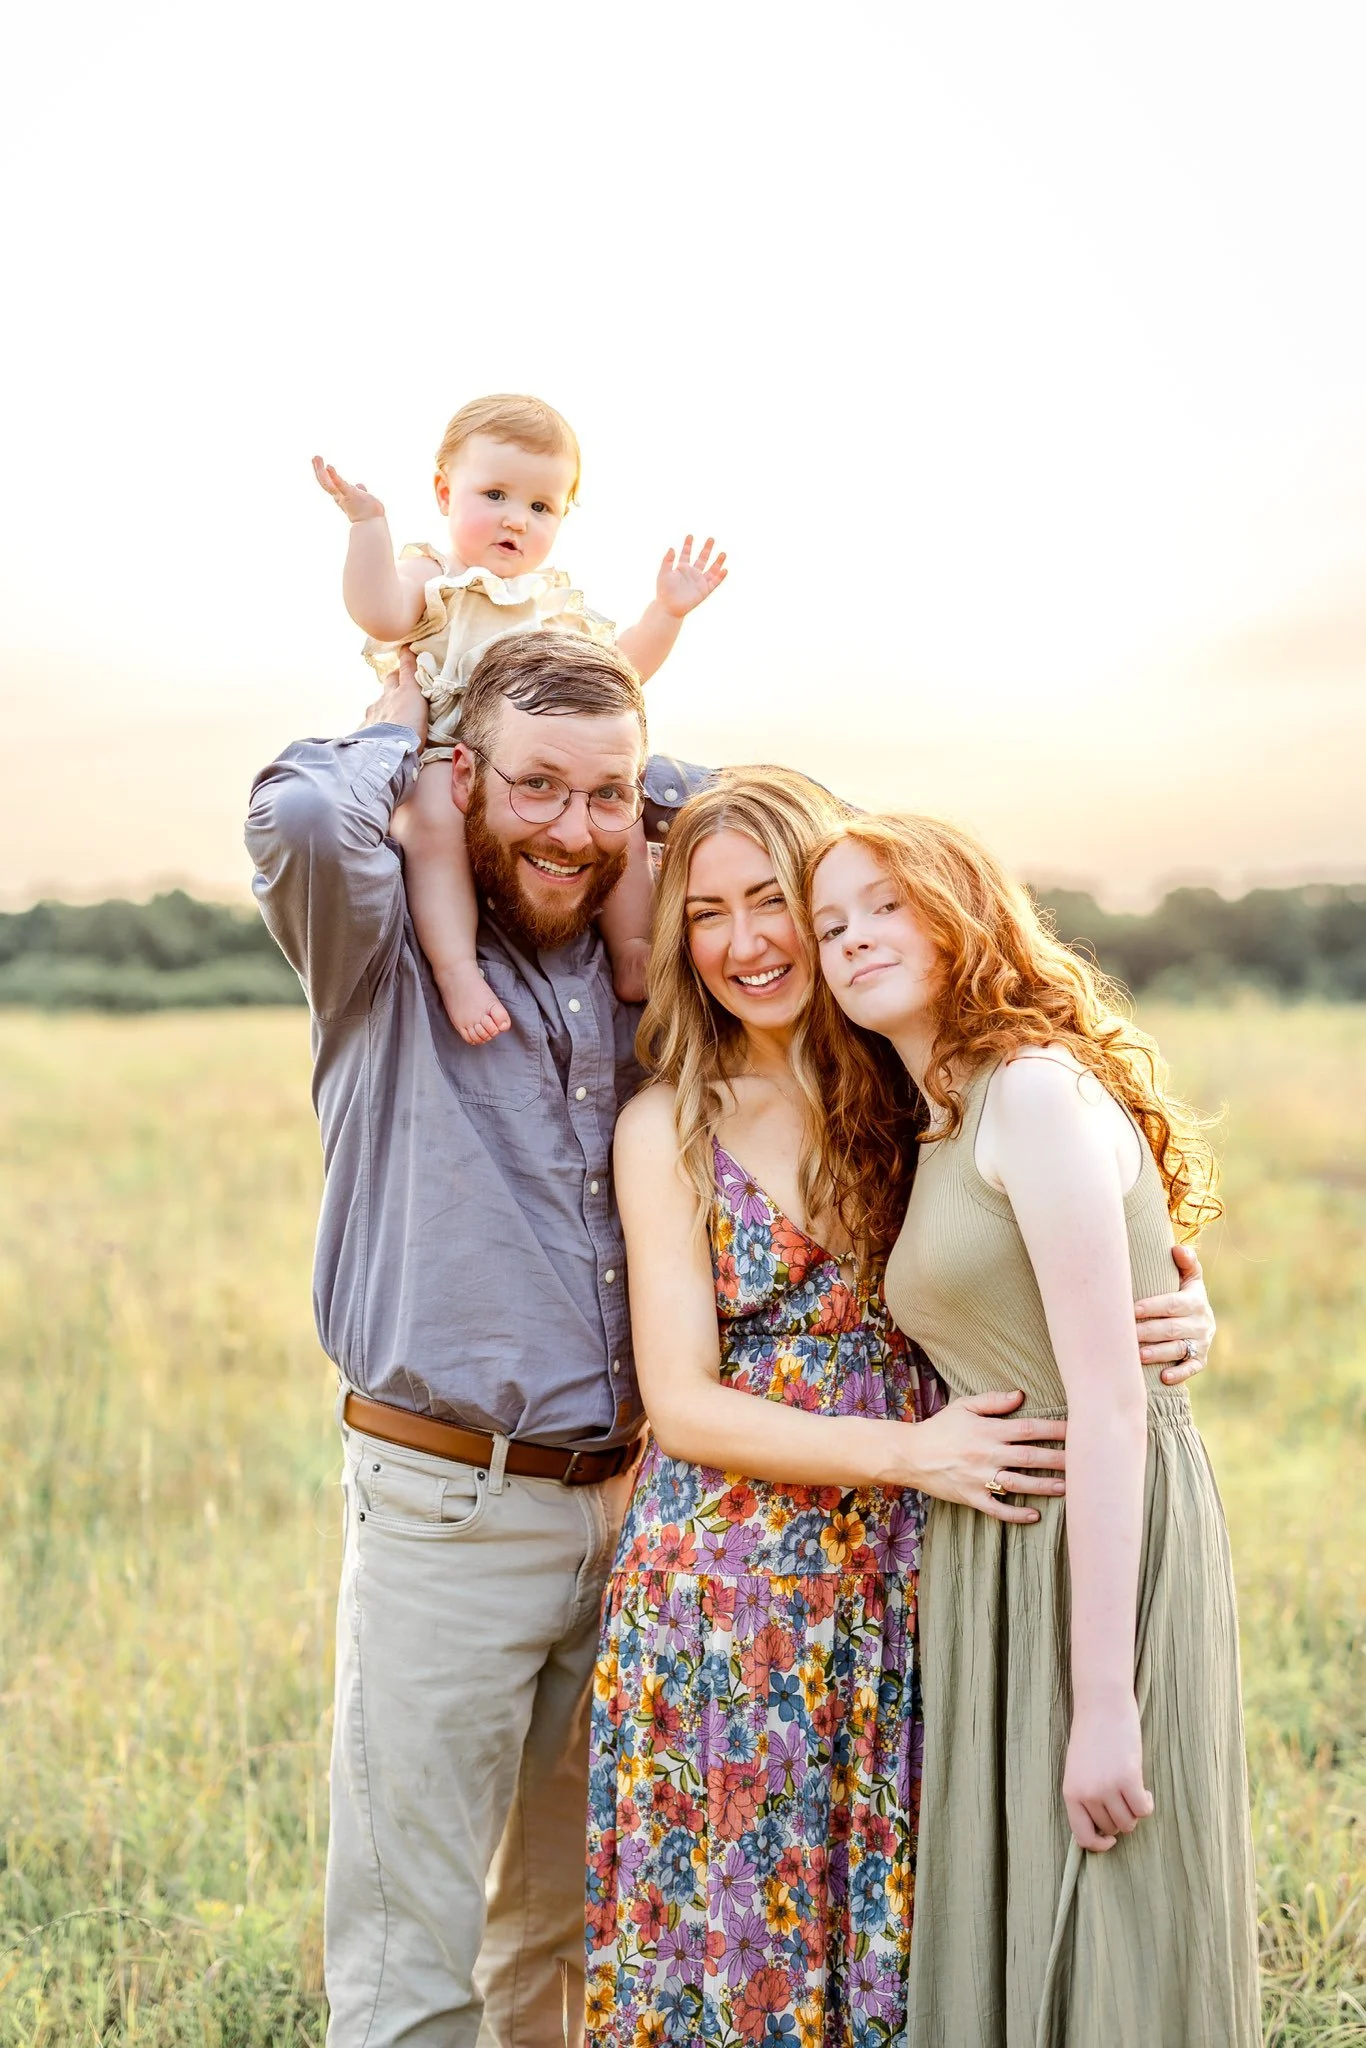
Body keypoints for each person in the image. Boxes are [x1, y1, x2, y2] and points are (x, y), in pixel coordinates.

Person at [585, 774, 1218, 2048]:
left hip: (926, 1571)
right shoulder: (670, 1124)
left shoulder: (912, 1085)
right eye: (706, 914)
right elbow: (682, 1403)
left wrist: (1190, 1309)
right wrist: (910, 1450)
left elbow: (1059, 1257)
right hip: (736, 1585)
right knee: (742, 1947)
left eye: (777, 902)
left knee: (920, 1930)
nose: (748, 941)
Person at [245, 629, 711, 2048]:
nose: (574, 831)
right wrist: (411, 713)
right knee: (412, 1949)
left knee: (562, 1927)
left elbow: (769, 826)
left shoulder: (652, 967)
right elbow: (312, 809)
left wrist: (634, 783)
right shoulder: (378, 952)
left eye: (608, 796)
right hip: (451, 1507)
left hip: (638, 1506)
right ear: (461, 778)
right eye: (537, 790)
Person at [804, 814, 1259, 2047]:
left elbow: (1111, 1395)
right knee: (1020, 1902)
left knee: (1105, 1908)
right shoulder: (938, 1116)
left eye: (884, 904)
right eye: (831, 923)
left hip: (1092, 1535)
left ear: (959, 906)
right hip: (1000, 1544)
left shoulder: (1033, 1091)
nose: (853, 939)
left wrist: (1102, 1694)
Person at [313, 392, 726, 1039]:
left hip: (551, 771)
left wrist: (665, 614)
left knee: (612, 819)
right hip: (446, 756)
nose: (516, 520)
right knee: (431, 823)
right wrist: (367, 524)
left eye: (541, 507)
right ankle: (456, 970)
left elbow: (620, 673)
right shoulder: (438, 578)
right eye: (495, 495)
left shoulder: (553, 604)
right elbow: (379, 612)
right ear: (445, 490)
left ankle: (633, 951)